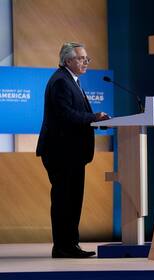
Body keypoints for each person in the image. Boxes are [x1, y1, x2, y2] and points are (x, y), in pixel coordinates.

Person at [36, 42, 109, 258]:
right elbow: (65, 115)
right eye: (81, 58)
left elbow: (77, 115)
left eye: (87, 58)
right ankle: (63, 247)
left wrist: (97, 121)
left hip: (72, 153)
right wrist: (93, 117)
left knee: (72, 200)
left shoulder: (71, 81)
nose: (86, 62)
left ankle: (70, 245)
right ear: (68, 60)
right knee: (64, 201)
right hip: (61, 152)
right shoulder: (61, 82)